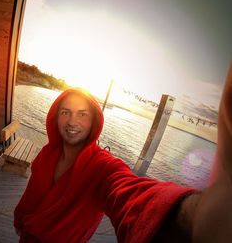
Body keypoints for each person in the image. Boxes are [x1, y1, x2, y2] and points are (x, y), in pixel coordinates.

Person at [14, 66, 232, 243]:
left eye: (82, 114)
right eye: (65, 113)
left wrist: (190, 218)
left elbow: (129, 194)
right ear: (55, 117)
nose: (72, 122)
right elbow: (30, 196)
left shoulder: (102, 167)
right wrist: (19, 220)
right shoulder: (46, 154)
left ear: (94, 123)